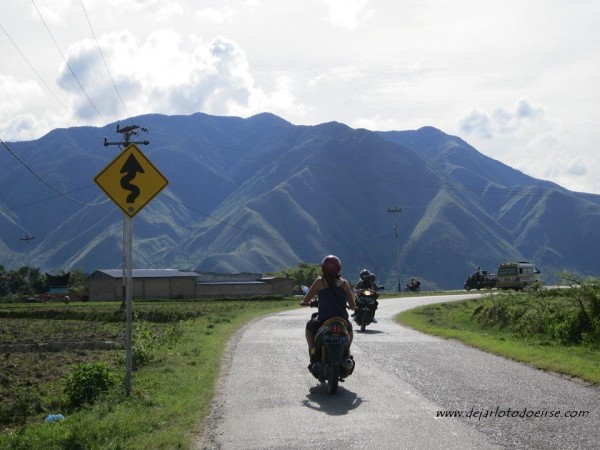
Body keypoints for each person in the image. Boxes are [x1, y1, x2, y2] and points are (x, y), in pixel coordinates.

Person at [300, 255, 356, 368]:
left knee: (309, 328)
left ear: (323, 268)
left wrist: (305, 302)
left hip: (324, 319)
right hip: (341, 319)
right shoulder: (344, 283)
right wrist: (351, 307)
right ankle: (347, 352)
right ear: (338, 268)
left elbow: (306, 299)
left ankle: (313, 351)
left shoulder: (319, 282)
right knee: (349, 330)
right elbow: (353, 305)